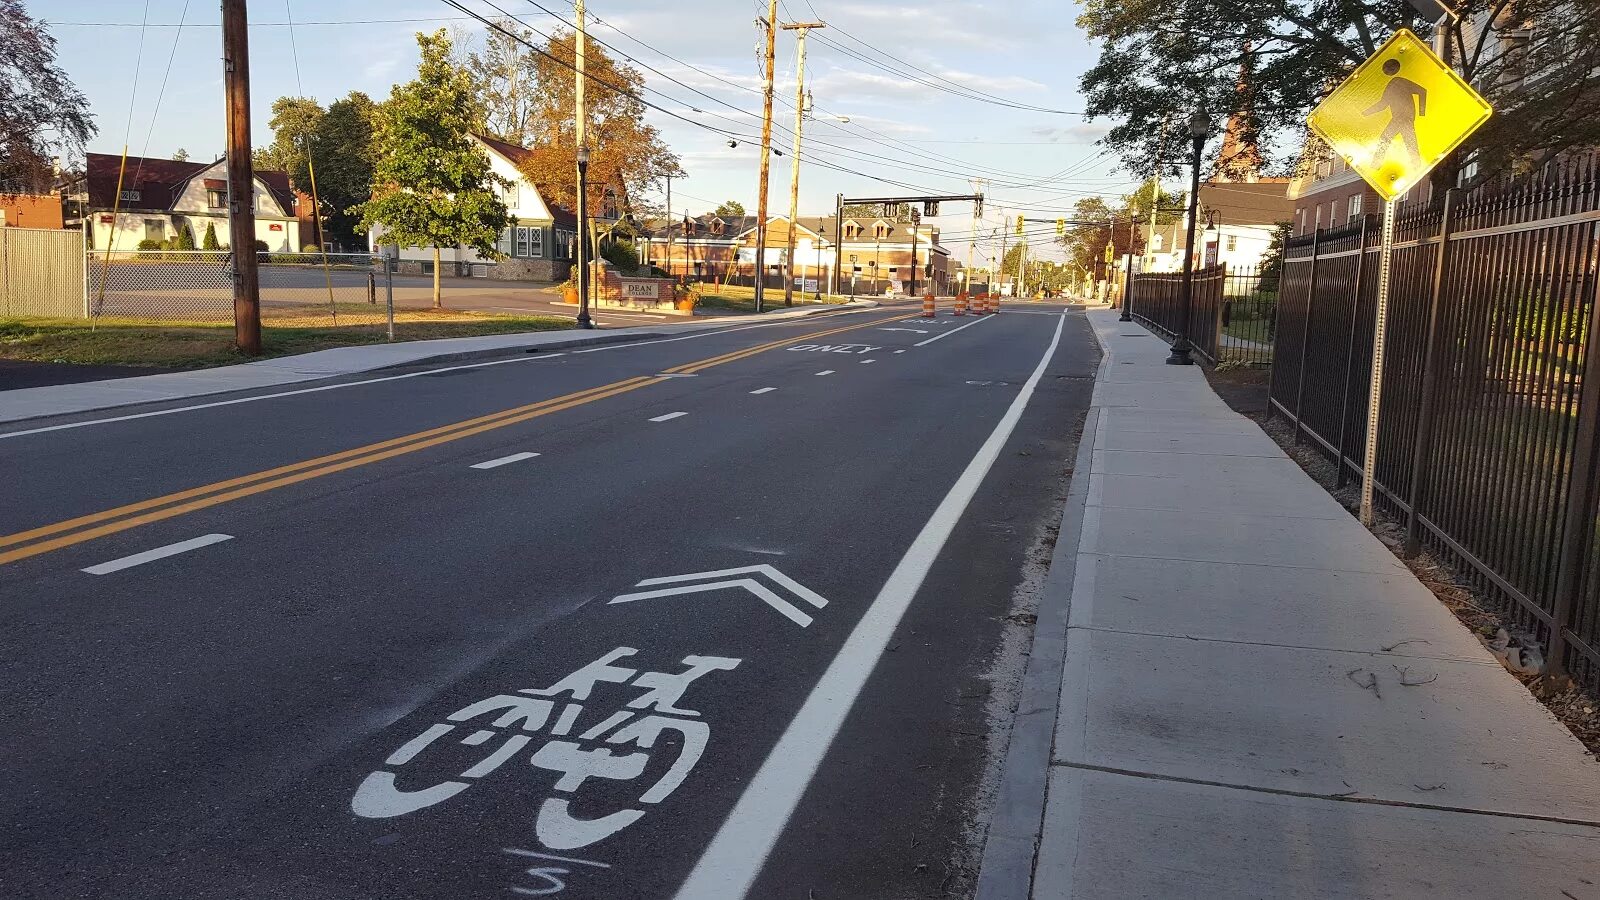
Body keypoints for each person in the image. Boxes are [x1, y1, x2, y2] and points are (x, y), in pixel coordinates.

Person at [1363, 58, 1427, 170]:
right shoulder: (1391, 85)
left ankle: (1377, 164)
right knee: (1404, 140)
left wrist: (1422, 112)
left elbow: (1422, 91)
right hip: (1399, 118)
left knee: (1399, 140)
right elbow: (1383, 104)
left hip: (1405, 118)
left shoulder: (1400, 82)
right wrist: (1366, 112)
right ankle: (1377, 165)